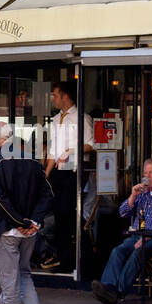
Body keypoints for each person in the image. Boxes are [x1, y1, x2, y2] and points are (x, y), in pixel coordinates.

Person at [0, 120, 53, 304]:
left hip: (6, 230)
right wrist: (34, 221)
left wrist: (18, 221)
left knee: (9, 286)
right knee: (24, 274)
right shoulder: (33, 160)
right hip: (29, 231)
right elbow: (47, 194)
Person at [91, 158, 152, 304]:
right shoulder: (142, 194)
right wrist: (133, 196)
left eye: (151, 172)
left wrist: (146, 237)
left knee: (139, 252)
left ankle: (119, 293)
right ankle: (108, 287)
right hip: (139, 236)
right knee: (118, 251)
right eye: (145, 172)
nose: (147, 176)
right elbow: (123, 213)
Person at [42, 81, 94, 271]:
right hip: (58, 170)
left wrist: (70, 151)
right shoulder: (56, 119)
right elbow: (53, 151)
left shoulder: (82, 117)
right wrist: (46, 176)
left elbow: (90, 144)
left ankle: (82, 257)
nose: (53, 99)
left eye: (55, 95)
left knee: (67, 212)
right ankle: (66, 259)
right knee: (58, 214)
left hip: (74, 170)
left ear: (65, 96)